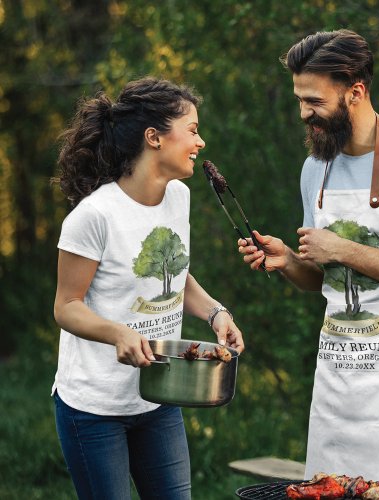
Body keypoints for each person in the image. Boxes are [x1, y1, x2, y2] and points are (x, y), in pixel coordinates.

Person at [239, 30, 379, 498]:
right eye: (300, 99)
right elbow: (324, 280)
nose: (304, 112)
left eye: (314, 100)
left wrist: (340, 249)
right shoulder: (314, 167)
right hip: (338, 390)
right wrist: (288, 261)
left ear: (355, 91)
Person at [52, 77, 244, 500]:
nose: (201, 142)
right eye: (192, 130)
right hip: (95, 407)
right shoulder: (94, 216)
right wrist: (118, 333)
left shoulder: (178, 196)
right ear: (154, 137)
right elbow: (66, 306)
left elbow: (176, 274)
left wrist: (216, 312)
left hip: (158, 399)